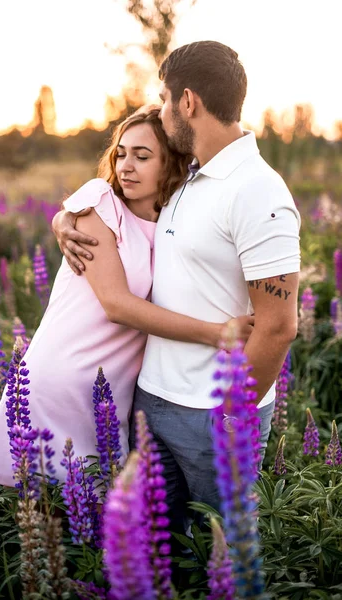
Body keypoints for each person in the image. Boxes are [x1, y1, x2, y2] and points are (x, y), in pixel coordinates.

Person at [52, 41, 301, 530]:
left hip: (212, 415)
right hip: (151, 402)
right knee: (161, 558)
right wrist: (64, 218)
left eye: (165, 100)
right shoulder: (187, 176)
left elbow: (278, 328)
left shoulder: (258, 191)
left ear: (188, 101)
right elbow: (116, 205)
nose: (161, 112)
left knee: (221, 559)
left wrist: (232, 418)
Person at [0, 106, 254, 486]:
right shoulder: (100, 202)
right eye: (121, 153)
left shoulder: (177, 220)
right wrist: (217, 333)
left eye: (142, 157)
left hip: (111, 401)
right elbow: (116, 305)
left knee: (100, 536)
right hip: (59, 384)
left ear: (171, 164)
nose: (126, 165)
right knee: (47, 530)